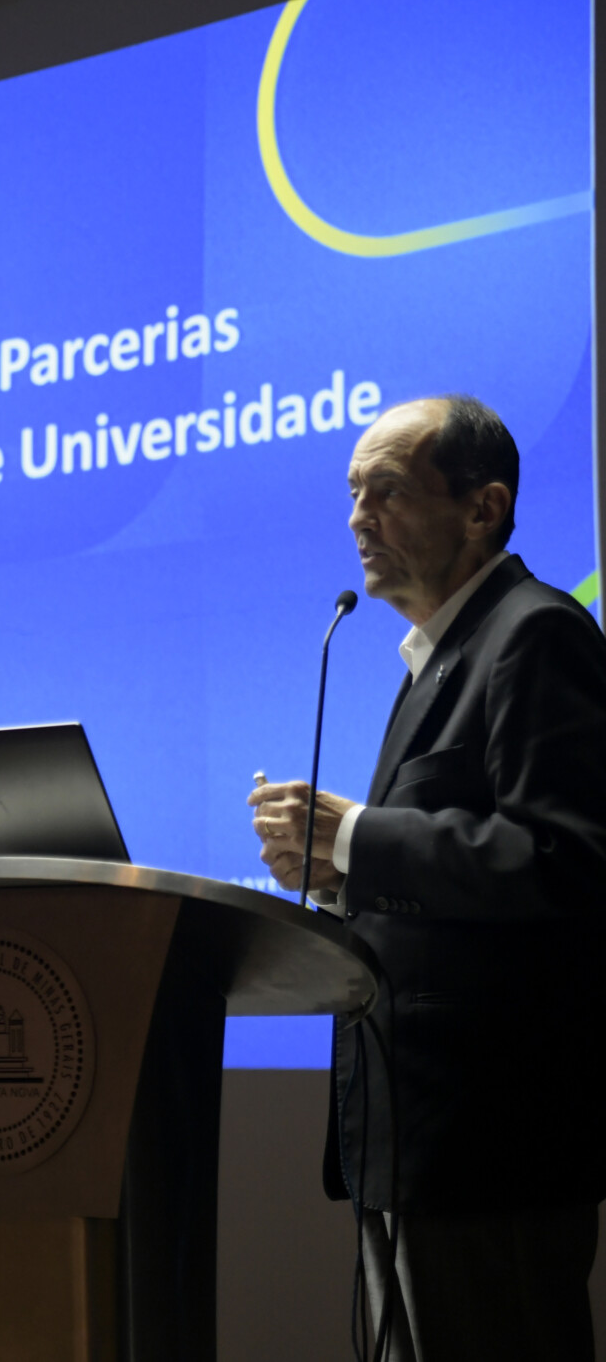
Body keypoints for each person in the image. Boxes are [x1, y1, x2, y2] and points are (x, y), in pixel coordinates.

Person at [247, 396, 606, 1360]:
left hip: (491, 1142)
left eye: (388, 491)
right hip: (412, 1134)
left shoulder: (536, 633)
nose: (358, 518)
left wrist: (358, 836)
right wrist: (333, 874)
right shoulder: (435, 660)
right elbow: (446, 884)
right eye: (353, 494)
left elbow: (565, 859)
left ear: (483, 508)